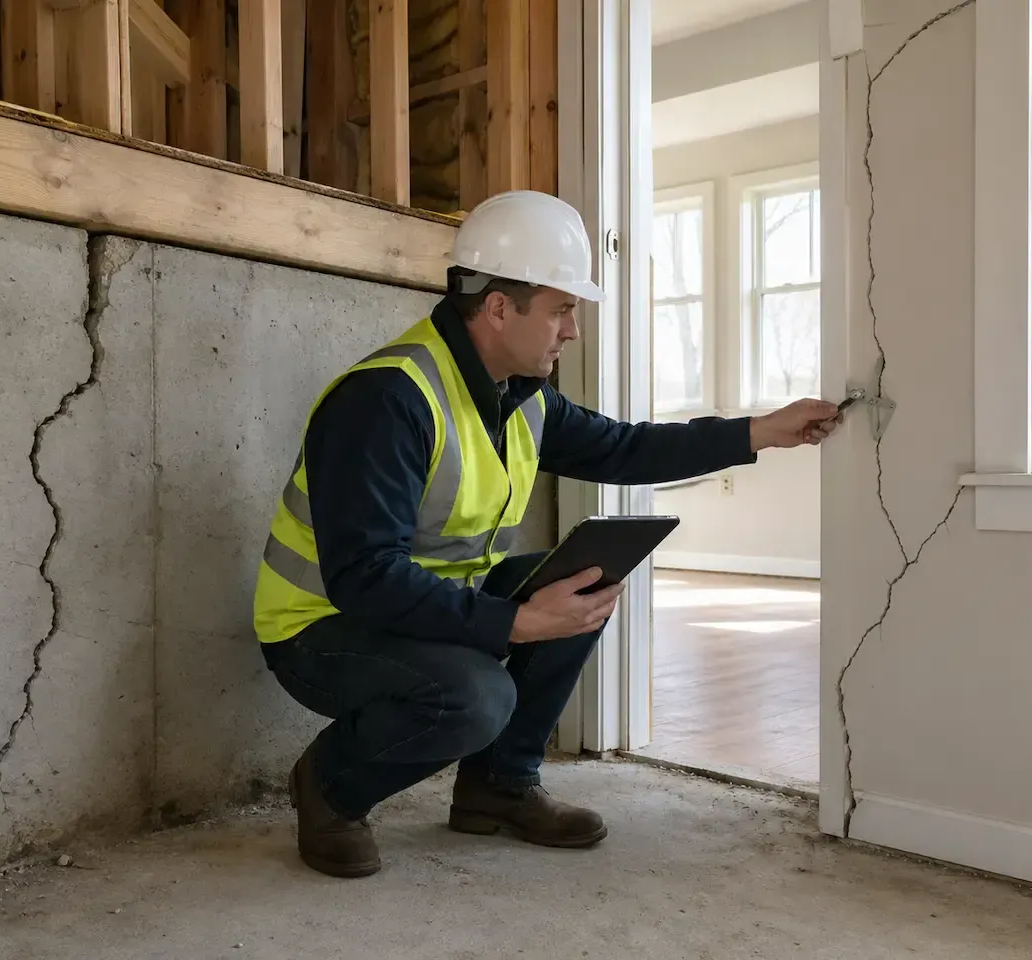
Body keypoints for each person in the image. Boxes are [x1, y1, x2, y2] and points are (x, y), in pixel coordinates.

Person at [252, 189, 840, 878]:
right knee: (477, 695)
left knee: (584, 579)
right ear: (499, 307)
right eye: (562, 309)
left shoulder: (518, 395)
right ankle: (329, 789)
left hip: (421, 603)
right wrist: (512, 622)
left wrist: (761, 431)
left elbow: (626, 448)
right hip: (319, 628)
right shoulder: (386, 400)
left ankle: (497, 786)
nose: (573, 330)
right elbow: (364, 579)